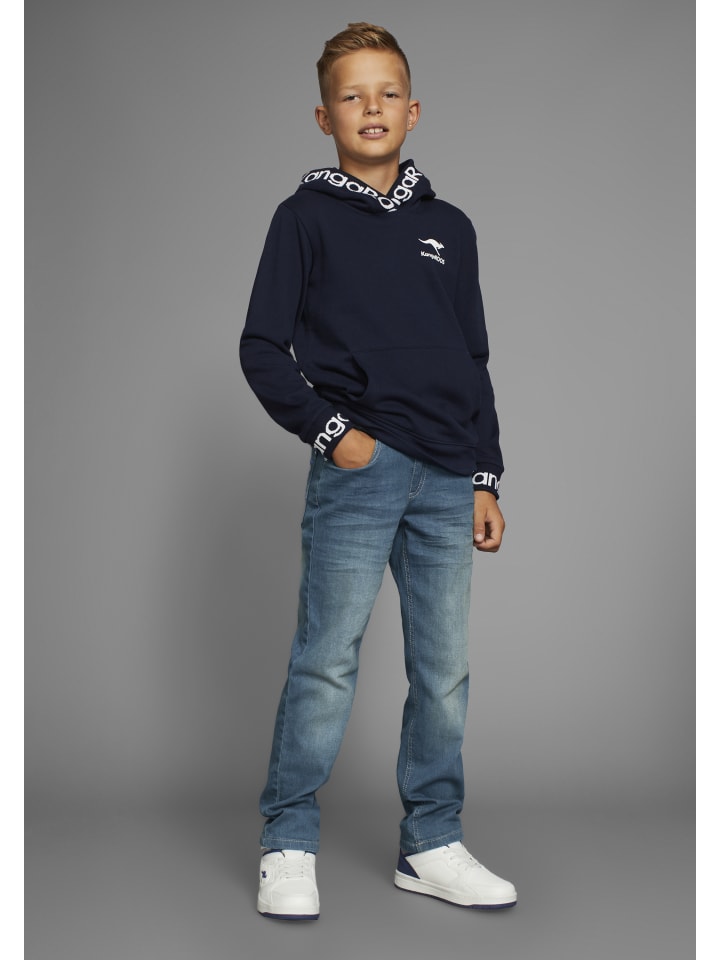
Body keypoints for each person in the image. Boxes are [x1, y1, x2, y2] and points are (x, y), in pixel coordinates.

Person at [240, 21, 517, 921]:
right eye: (352, 95)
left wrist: (485, 475)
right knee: (326, 660)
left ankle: (430, 841)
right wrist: (333, 434)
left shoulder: (451, 227)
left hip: (447, 476)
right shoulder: (303, 219)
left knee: (445, 670)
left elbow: (472, 359)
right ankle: (287, 842)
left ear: (414, 110)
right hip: (360, 471)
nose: (372, 107)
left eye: (387, 93)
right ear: (324, 117)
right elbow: (261, 347)